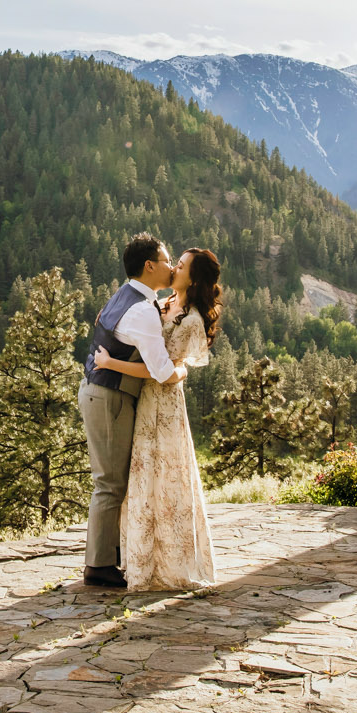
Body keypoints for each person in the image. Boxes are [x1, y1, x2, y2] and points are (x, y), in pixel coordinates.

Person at [87, 247, 220, 590]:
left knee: (165, 477)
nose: (174, 266)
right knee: (137, 478)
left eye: (181, 264)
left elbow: (167, 370)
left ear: (194, 277)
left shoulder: (190, 319)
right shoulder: (157, 307)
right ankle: (135, 556)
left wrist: (112, 364)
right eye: (172, 261)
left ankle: (163, 559)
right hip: (141, 397)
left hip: (162, 402)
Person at [78, 233, 180, 588]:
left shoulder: (127, 296)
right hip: (110, 397)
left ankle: (110, 556)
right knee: (109, 483)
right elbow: (162, 371)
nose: (171, 266)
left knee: (112, 481)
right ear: (150, 265)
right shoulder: (140, 310)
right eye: (167, 261)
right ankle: (99, 566)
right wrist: (182, 369)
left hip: (101, 392)